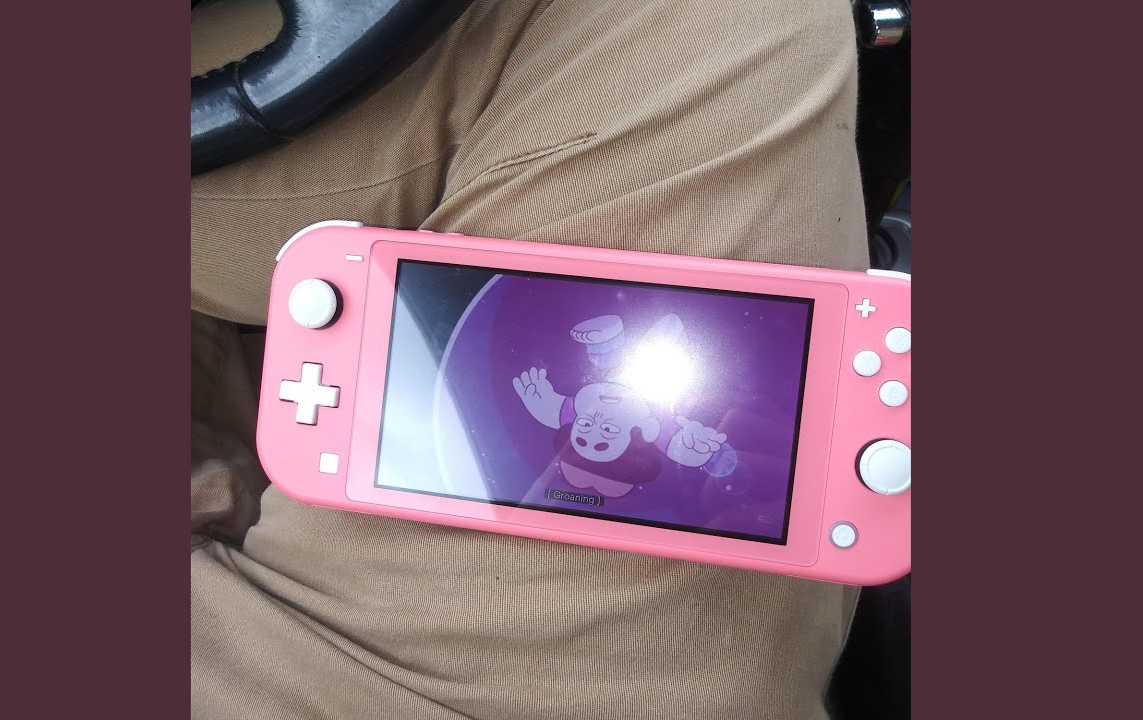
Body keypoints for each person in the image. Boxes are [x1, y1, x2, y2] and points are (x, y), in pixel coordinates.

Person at [190, 0, 868, 717]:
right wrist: (722, 464)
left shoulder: (577, 413)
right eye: (605, 442)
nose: (595, 433)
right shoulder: (650, 428)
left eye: (586, 441)